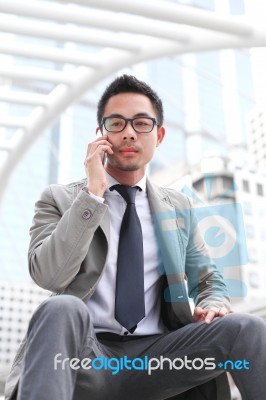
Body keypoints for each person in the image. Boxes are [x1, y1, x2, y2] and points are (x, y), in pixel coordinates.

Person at [5, 74, 266, 400]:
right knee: (60, 308)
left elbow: (209, 280)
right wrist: (92, 195)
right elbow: (49, 275)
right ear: (100, 134)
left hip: (159, 359)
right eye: (116, 123)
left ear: (159, 135)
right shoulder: (59, 199)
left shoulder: (180, 206)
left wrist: (212, 303)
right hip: (86, 356)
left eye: (141, 123)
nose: (129, 132)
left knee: (247, 328)